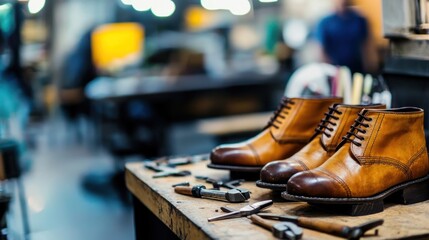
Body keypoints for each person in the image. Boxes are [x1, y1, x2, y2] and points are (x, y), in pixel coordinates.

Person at [316, 0, 374, 73]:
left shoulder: (359, 20)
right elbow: (321, 51)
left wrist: (370, 68)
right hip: (334, 70)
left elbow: (366, 47)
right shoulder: (325, 22)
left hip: (356, 69)